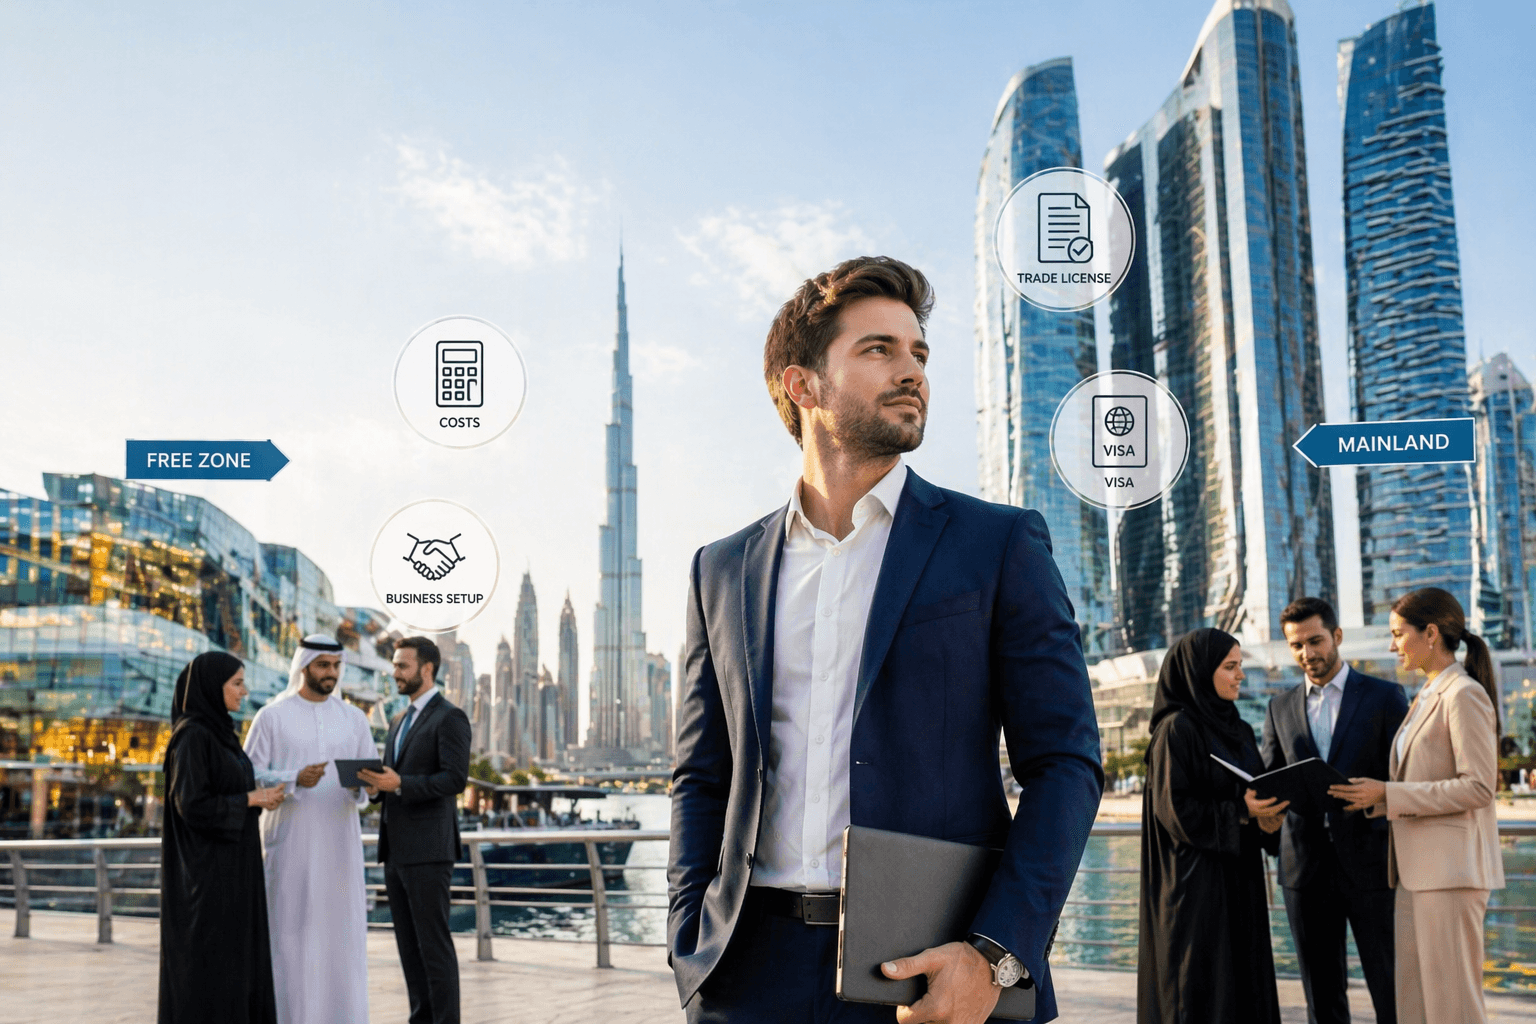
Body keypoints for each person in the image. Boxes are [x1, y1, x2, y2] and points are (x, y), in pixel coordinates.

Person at [667, 256, 1103, 1024]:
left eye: (919, 353)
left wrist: (995, 955)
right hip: (745, 974)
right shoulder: (722, 570)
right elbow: (702, 776)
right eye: (879, 349)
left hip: (931, 971)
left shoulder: (997, 544)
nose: (913, 372)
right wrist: (688, 939)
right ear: (803, 385)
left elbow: (1065, 763)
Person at [1329, 587, 1505, 1024]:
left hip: (1449, 876)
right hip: (1416, 875)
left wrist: (1389, 794)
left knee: (1452, 1007)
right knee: (1416, 1007)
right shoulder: (1427, 694)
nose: (1392, 646)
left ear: (1430, 633)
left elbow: (1478, 788)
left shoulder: (1463, 694)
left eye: (1397, 634)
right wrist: (1373, 798)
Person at [1262, 597, 1407, 1024]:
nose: (1307, 653)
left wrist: (1380, 796)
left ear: (1337, 636)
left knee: (1391, 988)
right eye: (1296, 645)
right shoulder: (1279, 707)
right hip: (1303, 870)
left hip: (1372, 864)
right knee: (1321, 998)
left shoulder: (1385, 696)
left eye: (1315, 641)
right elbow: (1271, 776)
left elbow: (1405, 775)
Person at [1137, 628, 1286, 1024]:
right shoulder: (1176, 730)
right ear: (1201, 672)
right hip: (1196, 890)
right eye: (1230, 667)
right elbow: (1176, 811)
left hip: (1241, 881)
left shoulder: (1239, 729)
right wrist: (1241, 811)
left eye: (1240, 666)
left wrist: (1267, 818)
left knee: (1244, 987)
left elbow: (1255, 792)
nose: (1240, 676)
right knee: (1201, 990)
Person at [243, 635, 377, 1024]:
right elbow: (249, 775)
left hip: (340, 849)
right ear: (304, 666)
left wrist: (366, 785)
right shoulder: (272, 716)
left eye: (336, 666)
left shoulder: (354, 719)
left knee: (340, 938)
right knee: (289, 936)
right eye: (323, 665)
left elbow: (369, 779)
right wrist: (293, 778)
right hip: (290, 848)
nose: (331, 673)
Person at [158, 651, 286, 1024]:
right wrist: (250, 799)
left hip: (233, 872)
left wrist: (258, 798)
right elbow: (191, 804)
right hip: (207, 880)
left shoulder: (221, 735)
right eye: (237, 683)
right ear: (213, 687)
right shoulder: (192, 736)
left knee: (236, 967)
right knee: (211, 970)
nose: (244, 692)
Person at [360, 636, 472, 1024]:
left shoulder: (450, 717)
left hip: (428, 851)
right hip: (395, 850)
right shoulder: (397, 720)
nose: (394, 672)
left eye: (402, 666)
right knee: (409, 949)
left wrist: (402, 784)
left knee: (433, 947)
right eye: (394, 665)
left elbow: (455, 779)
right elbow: (392, 779)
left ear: (427, 669)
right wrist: (376, 788)